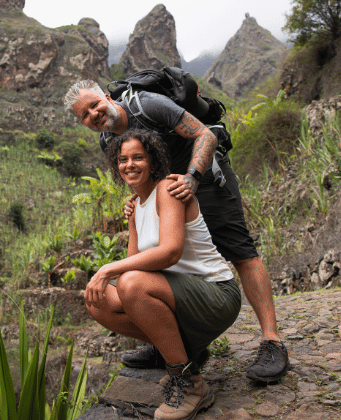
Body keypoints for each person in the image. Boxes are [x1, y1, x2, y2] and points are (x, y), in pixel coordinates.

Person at [64, 79, 289, 383]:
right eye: (85, 114)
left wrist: (193, 178)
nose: (94, 114)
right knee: (144, 270)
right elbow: (133, 173)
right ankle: (175, 345)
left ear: (106, 97)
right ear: (82, 122)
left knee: (241, 252)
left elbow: (205, 135)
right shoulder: (107, 139)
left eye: (95, 105)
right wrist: (137, 203)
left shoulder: (148, 105)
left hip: (204, 176)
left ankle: (271, 340)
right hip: (164, 194)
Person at [85, 130, 241, 420]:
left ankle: (188, 383)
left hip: (216, 294)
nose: (129, 165)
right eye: (122, 159)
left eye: (138, 157)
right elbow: (134, 264)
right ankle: (185, 353)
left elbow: (170, 252)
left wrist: (108, 269)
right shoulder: (136, 205)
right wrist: (131, 220)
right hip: (181, 296)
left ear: (153, 160)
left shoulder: (169, 189)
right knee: (97, 299)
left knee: (129, 284)